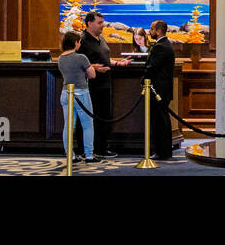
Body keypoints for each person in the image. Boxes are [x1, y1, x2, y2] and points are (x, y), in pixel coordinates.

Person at [77, 11, 131, 157]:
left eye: (103, 22)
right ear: (89, 23)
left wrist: (119, 63)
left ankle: (101, 148)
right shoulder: (82, 40)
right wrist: (93, 67)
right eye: (99, 23)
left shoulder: (101, 39)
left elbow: (105, 59)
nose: (103, 25)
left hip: (105, 85)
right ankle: (85, 150)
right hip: (90, 86)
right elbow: (76, 63)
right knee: (88, 119)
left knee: (104, 118)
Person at [57, 30, 98, 165]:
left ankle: (70, 155)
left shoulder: (61, 58)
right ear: (75, 43)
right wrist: (90, 68)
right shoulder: (81, 57)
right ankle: (89, 155)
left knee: (68, 126)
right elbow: (92, 75)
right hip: (81, 93)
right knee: (87, 125)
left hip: (65, 93)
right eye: (79, 42)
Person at [142, 19, 177, 160]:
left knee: (159, 121)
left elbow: (152, 67)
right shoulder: (164, 45)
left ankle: (162, 151)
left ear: (158, 30)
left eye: (151, 29)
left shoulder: (161, 46)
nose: (149, 31)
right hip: (162, 89)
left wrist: (143, 79)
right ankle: (164, 150)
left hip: (158, 90)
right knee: (161, 120)